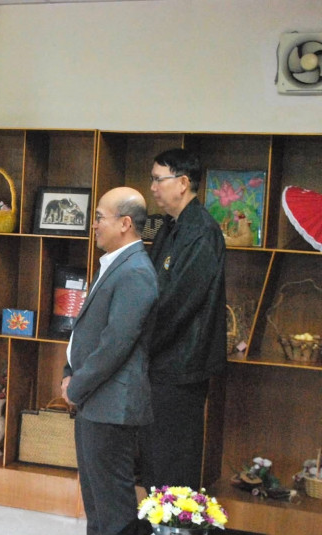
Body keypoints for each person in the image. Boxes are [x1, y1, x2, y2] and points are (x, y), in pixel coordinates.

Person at [61, 187, 158, 535]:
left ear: (125, 223)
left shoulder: (135, 272)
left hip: (111, 407)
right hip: (95, 402)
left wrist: (77, 386)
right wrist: (69, 373)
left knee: (114, 512)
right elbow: (88, 331)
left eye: (100, 217)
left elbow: (115, 344)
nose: (94, 225)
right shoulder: (116, 264)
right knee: (97, 506)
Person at [138, 148, 227, 492]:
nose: (153, 188)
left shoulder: (201, 231)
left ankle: (174, 520)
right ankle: (155, 517)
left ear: (183, 183)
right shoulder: (168, 225)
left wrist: (138, 343)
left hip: (181, 365)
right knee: (154, 457)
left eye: (158, 180)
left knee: (173, 460)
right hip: (159, 362)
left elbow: (178, 304)